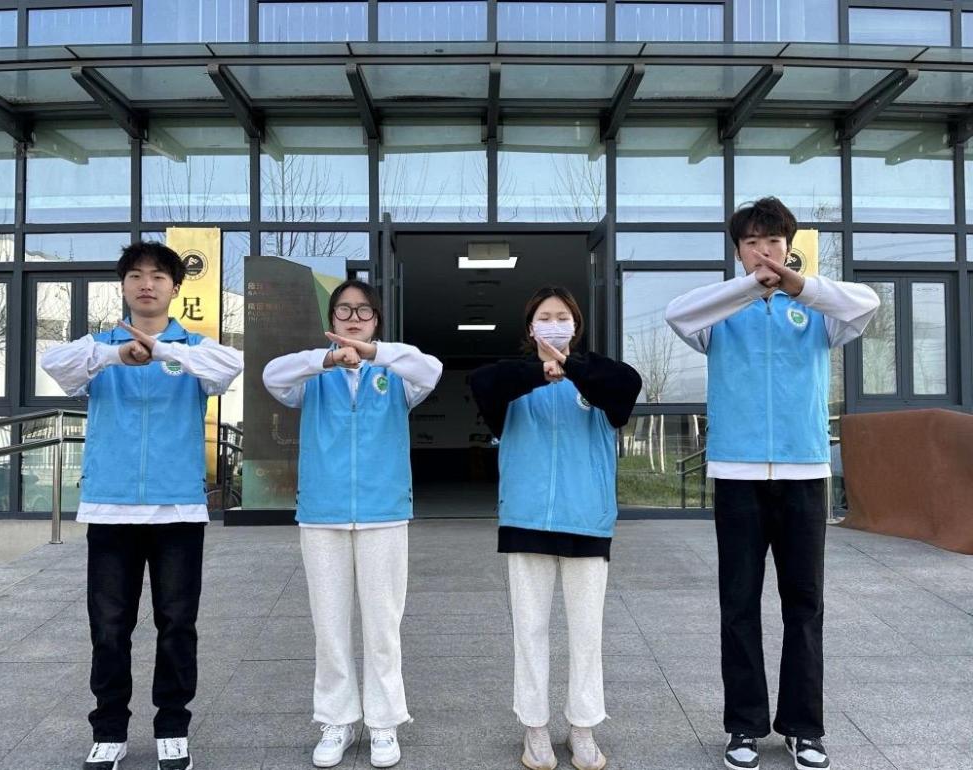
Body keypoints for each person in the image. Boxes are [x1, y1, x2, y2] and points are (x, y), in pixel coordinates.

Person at [665, 197, 880, 770]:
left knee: (804, 605)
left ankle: (804, 729)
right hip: (737, 474)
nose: (764, 252)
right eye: (753, 243)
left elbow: (868, 303)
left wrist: (797, 285)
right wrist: (749, 289)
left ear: (789, 245)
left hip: (803, 472)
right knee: (738, 603)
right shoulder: (720, 312)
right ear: (738, 251)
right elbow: (677, 314)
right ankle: (744, 726)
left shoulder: (817, 311)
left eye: (774, 242)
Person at [41, 241, 243, 770]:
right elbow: (53, 364)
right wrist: (117, 354)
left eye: (157, 276)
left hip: (177, 510)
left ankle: (173, 727)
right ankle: (109, 731)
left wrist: (162, 352)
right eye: (135, 275)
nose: (146, 284)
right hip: (111, 508)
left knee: (177, 624)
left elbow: (230, 366)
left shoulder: (193, 348)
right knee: (109, 627)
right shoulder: (97, 347)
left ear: (175, 287)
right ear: (124, 286)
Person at [262, 279, 443, 769]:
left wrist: (374, 353)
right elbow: (272, 376)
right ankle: (336, 718)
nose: (354, 318)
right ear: (332, 318)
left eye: (364, 310)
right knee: (330, 624)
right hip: (323, 512)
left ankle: (384, 721)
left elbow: (431, 369)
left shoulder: (396, 374)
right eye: (344, 309)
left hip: (385, 512)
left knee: (383, 625)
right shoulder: (312, 374)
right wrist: (327, 359)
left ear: (376, 319)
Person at [470, 287, 642, 770]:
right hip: (526, 520)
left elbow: (628, 385)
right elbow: (482, 381)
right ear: (531, 328)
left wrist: (571, 366)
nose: (554, 323)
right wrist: (539, 370)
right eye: (544, 316)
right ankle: (535, 728)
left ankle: (583, 727)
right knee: (530, 631)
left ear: (575, 325)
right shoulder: (512, 383)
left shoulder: (598, 379)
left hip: (587, 519)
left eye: (562, 316)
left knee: (587, 633)